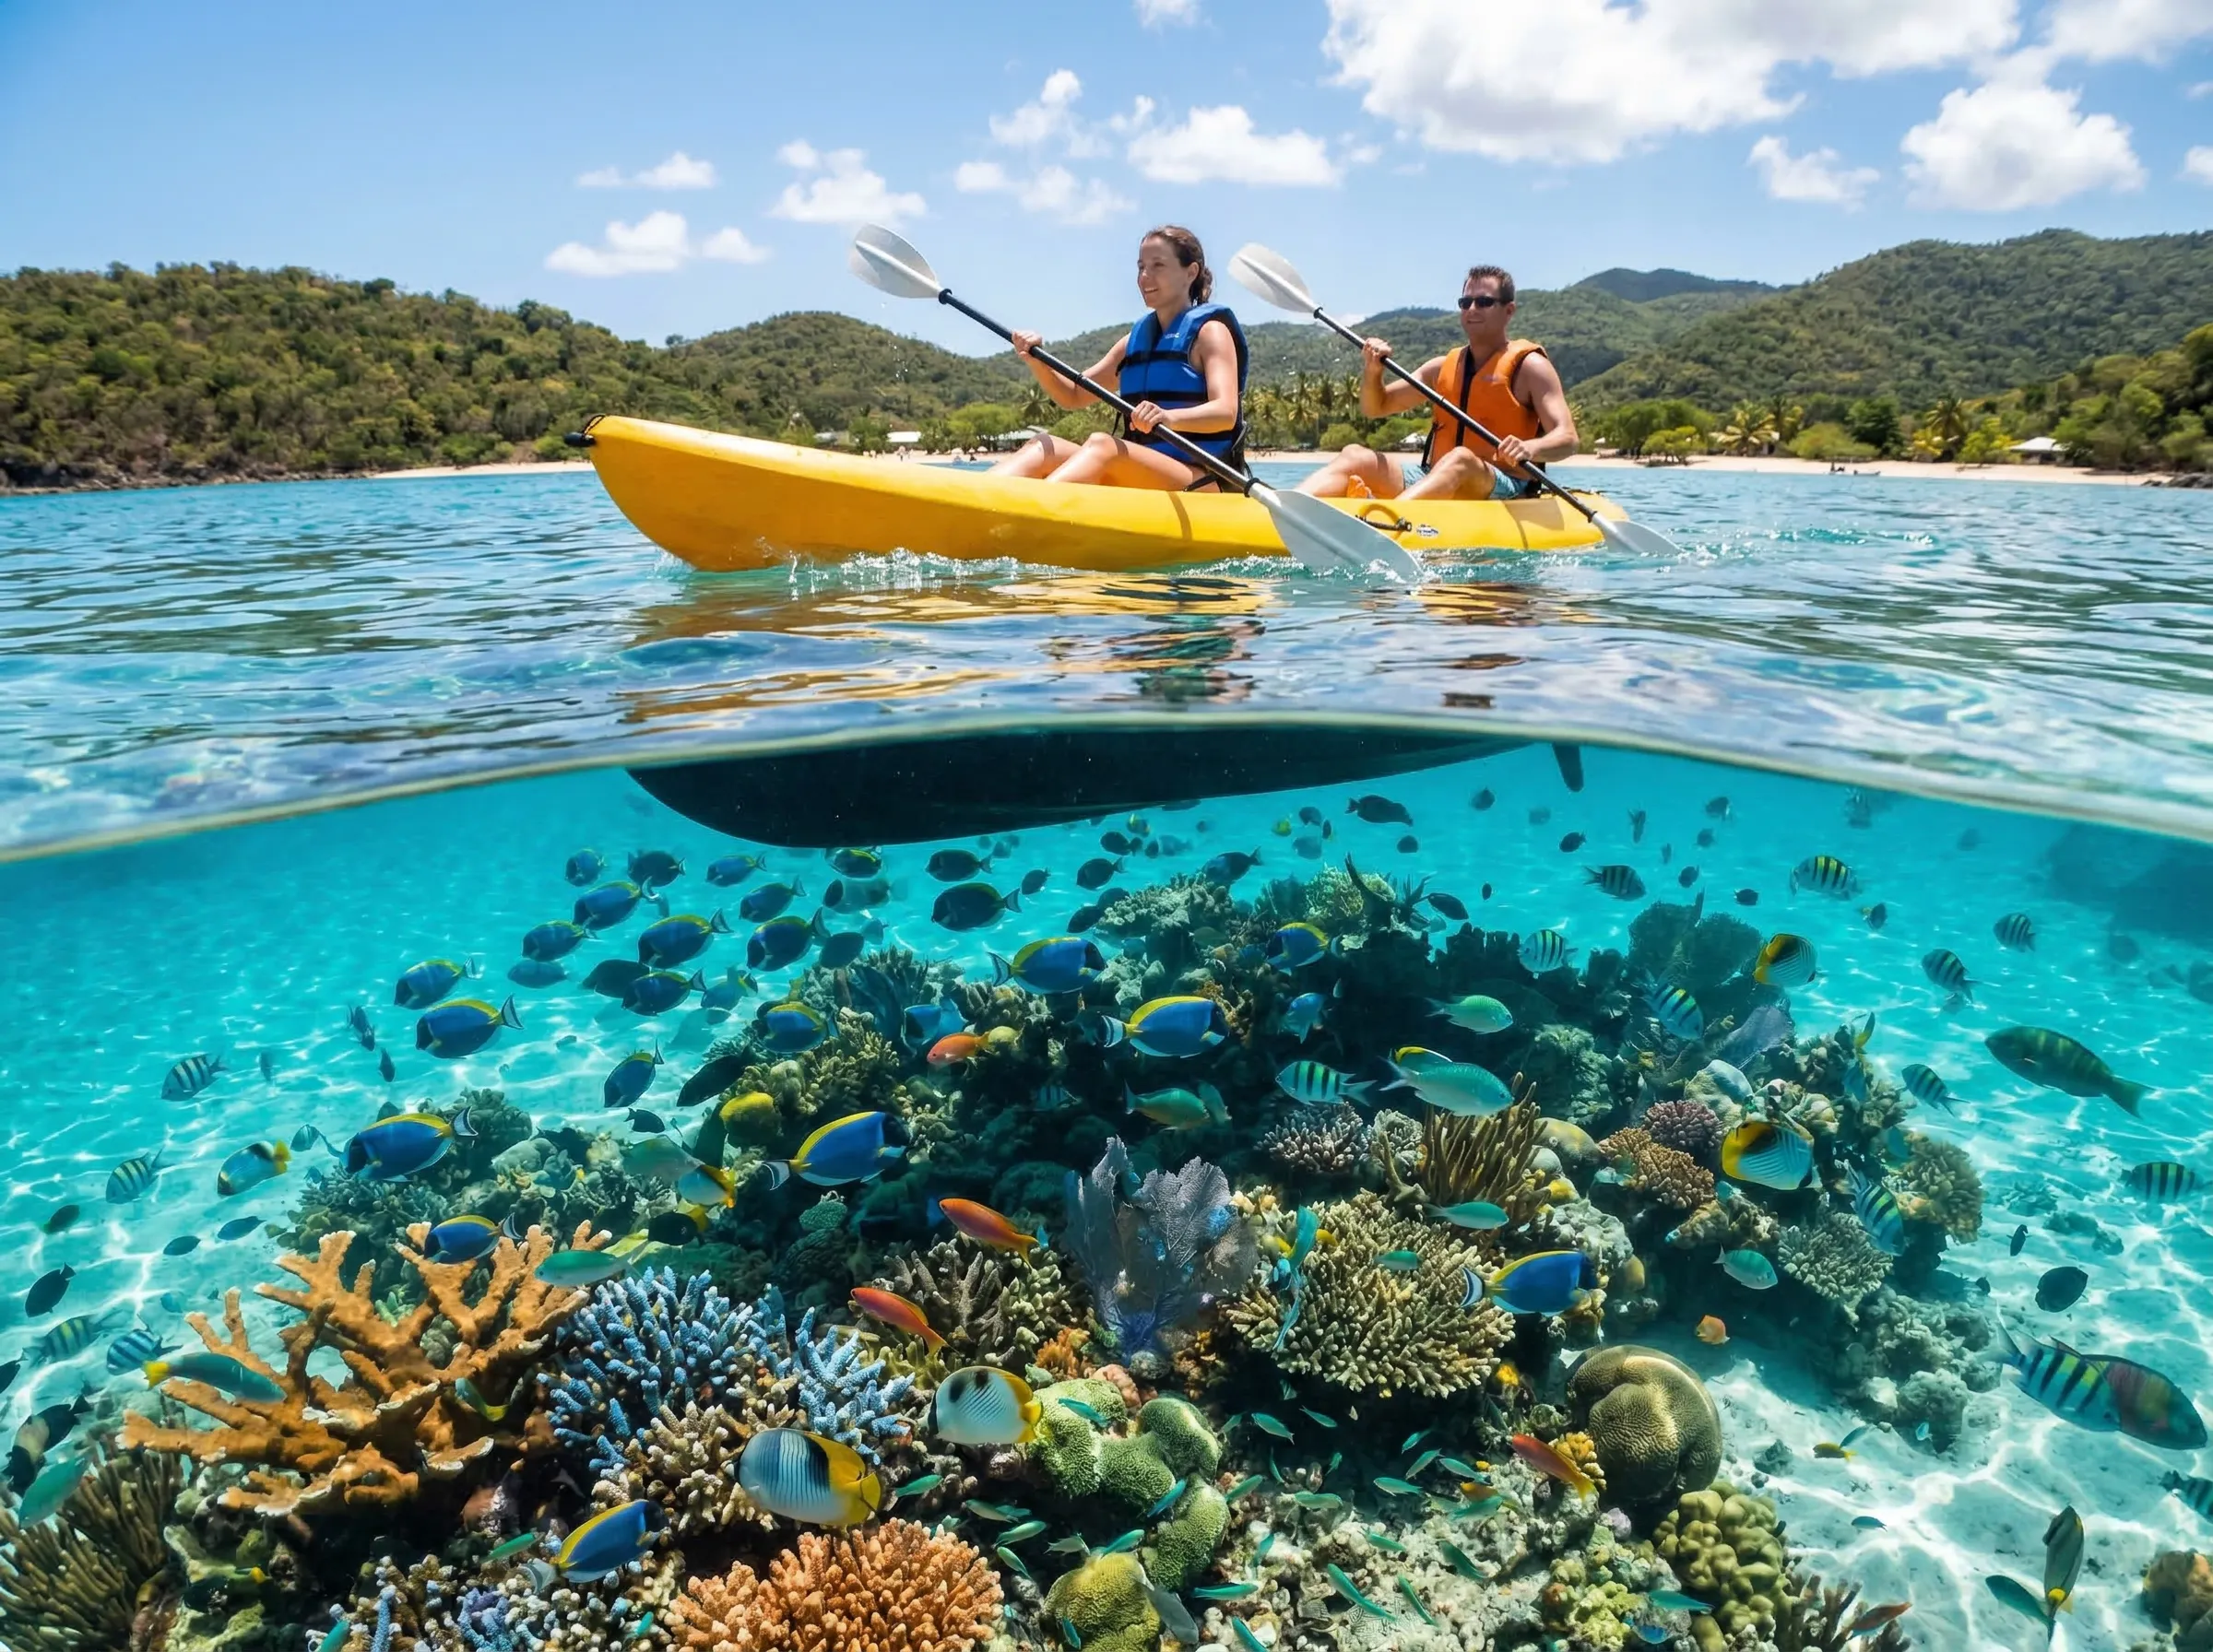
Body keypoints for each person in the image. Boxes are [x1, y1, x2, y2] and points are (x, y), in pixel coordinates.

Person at [992, 225, 1248, 490]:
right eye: (1141, 267)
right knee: (1044, 446)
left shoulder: (1210, 333)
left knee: (1105, 446)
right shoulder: (1132, 345)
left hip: (1203, 478)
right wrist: (1036, 360)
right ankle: (974, 501)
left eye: (1158, 265)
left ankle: (1032, 511)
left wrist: (1169, 418)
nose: (1145, 276)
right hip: (1143, 471)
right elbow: (1073, 395)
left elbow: (1225, 412)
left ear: (1190, 273)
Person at [1296, 265, 1576, 503]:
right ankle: (1282, 508)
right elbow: (1376, 407)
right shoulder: (1441, 368)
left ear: (1509, 310)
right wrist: (1372, 372)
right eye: (1465, 303)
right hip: (1436, 477)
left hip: (1507, 485)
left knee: (1460, 460)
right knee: (1355, 455)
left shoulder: (1531, 367)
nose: (1472, 309)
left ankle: (1387, 517)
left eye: (1484, 302)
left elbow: (1567, 438)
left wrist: (1531, 449)